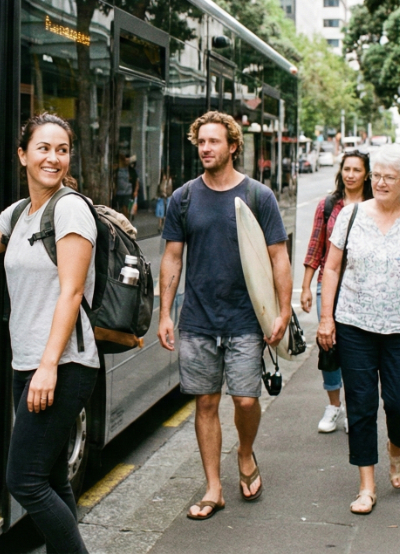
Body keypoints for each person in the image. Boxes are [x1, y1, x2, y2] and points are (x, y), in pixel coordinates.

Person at [0, 114, 98, 553]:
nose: (53, 158)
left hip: (62, 363)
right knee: (48, 478)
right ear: (22, 155)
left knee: (24, 480)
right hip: (28, 361)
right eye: (43, 148)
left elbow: (72, 292)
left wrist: (48, 367)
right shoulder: (20, 214)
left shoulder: (69, 209)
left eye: (62, 149)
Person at [158, 111, 292, 520]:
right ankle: (213, 487)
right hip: (198, 318)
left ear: (233, 146)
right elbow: (172, 257)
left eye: (214, 142)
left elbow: (278, 258)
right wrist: (165, 313)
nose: (205, 149)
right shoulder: (184, 197)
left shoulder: (258, 197)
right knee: (205, 404)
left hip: (244, 319)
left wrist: (283, 311)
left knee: (247, 400)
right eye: (201, 142)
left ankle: (246, 452)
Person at [317, 144, 400, 516]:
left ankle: (396, 447)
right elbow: (333, 268)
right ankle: (367, 486)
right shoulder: (351, 215)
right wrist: (327, 318)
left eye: (390, 177)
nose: (381, 182)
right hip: (355, 324)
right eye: (377, 176)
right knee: (361, 404)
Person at [302, 150, 374, 433]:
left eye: (357, 170)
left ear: (366, 174)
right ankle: (333, 405)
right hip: (328, 286)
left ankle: (355, 407)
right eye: (347, 169)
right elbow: (314, 246)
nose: (351, 174)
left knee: (360, 350)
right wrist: (306, 286)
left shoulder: (375, 205)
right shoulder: (328, 206)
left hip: (364, 288)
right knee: (329, 346)